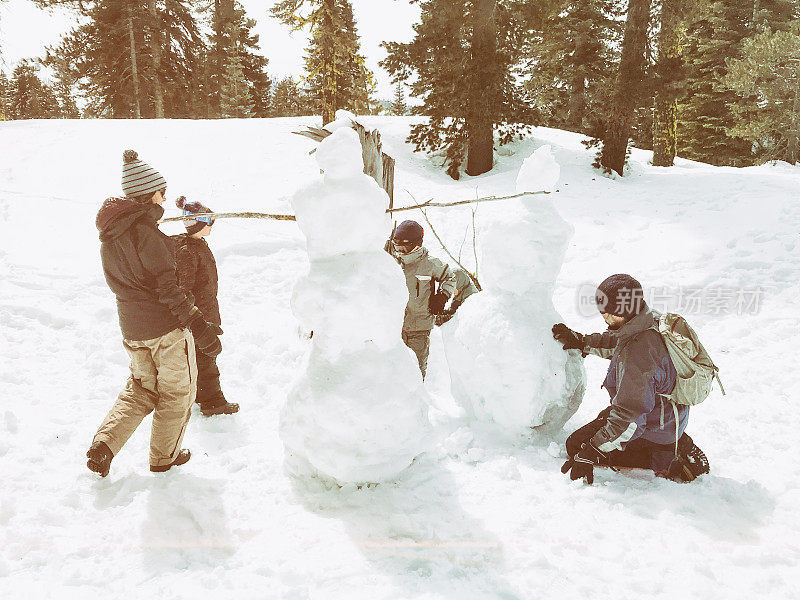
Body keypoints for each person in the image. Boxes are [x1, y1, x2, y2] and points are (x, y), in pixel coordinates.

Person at [85, 149, 222, 477]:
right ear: (149, 195)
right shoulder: (148, 235)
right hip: (165, 331)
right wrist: (198, 324)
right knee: (178, 392)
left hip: (132, 330)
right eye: (162, 191)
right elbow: (168, 289)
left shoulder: (110, 238)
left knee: (141, 389)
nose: (165, 197)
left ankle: (104, 445)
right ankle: (164, 458)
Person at [554, 273, 710, 484]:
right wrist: (583, 342)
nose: (604, 317)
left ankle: (667, 459)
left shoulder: (639, 353)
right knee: (607, 422)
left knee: (576, 446)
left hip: (652, 426)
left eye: (608, 313)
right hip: (666, 415)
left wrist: (591, 452)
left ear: (624, 312)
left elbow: (630, 420)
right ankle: (674, 442)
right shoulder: (646, 319)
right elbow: (619, 342)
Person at [172, 196, 239, 417]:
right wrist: (196, 319)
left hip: (207, 311)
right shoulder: (187, 251)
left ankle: (201, 396)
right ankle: (213, 402)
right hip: (199, 317)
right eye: (209, 223)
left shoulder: (197, 244)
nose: (212, 227)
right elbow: (184, 289)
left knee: (203, 358)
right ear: (198, 225)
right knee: (206, 358)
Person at [389, 220, 457, 378]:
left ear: (416, 244)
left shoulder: (429, 264)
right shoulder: (392, 263)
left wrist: (442, 296)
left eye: (404, 245)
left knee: (414, 374)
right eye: (396, 245)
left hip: (419, 329)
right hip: (394, 327)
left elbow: (450, 277)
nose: (399, 250)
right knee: (392, 372)